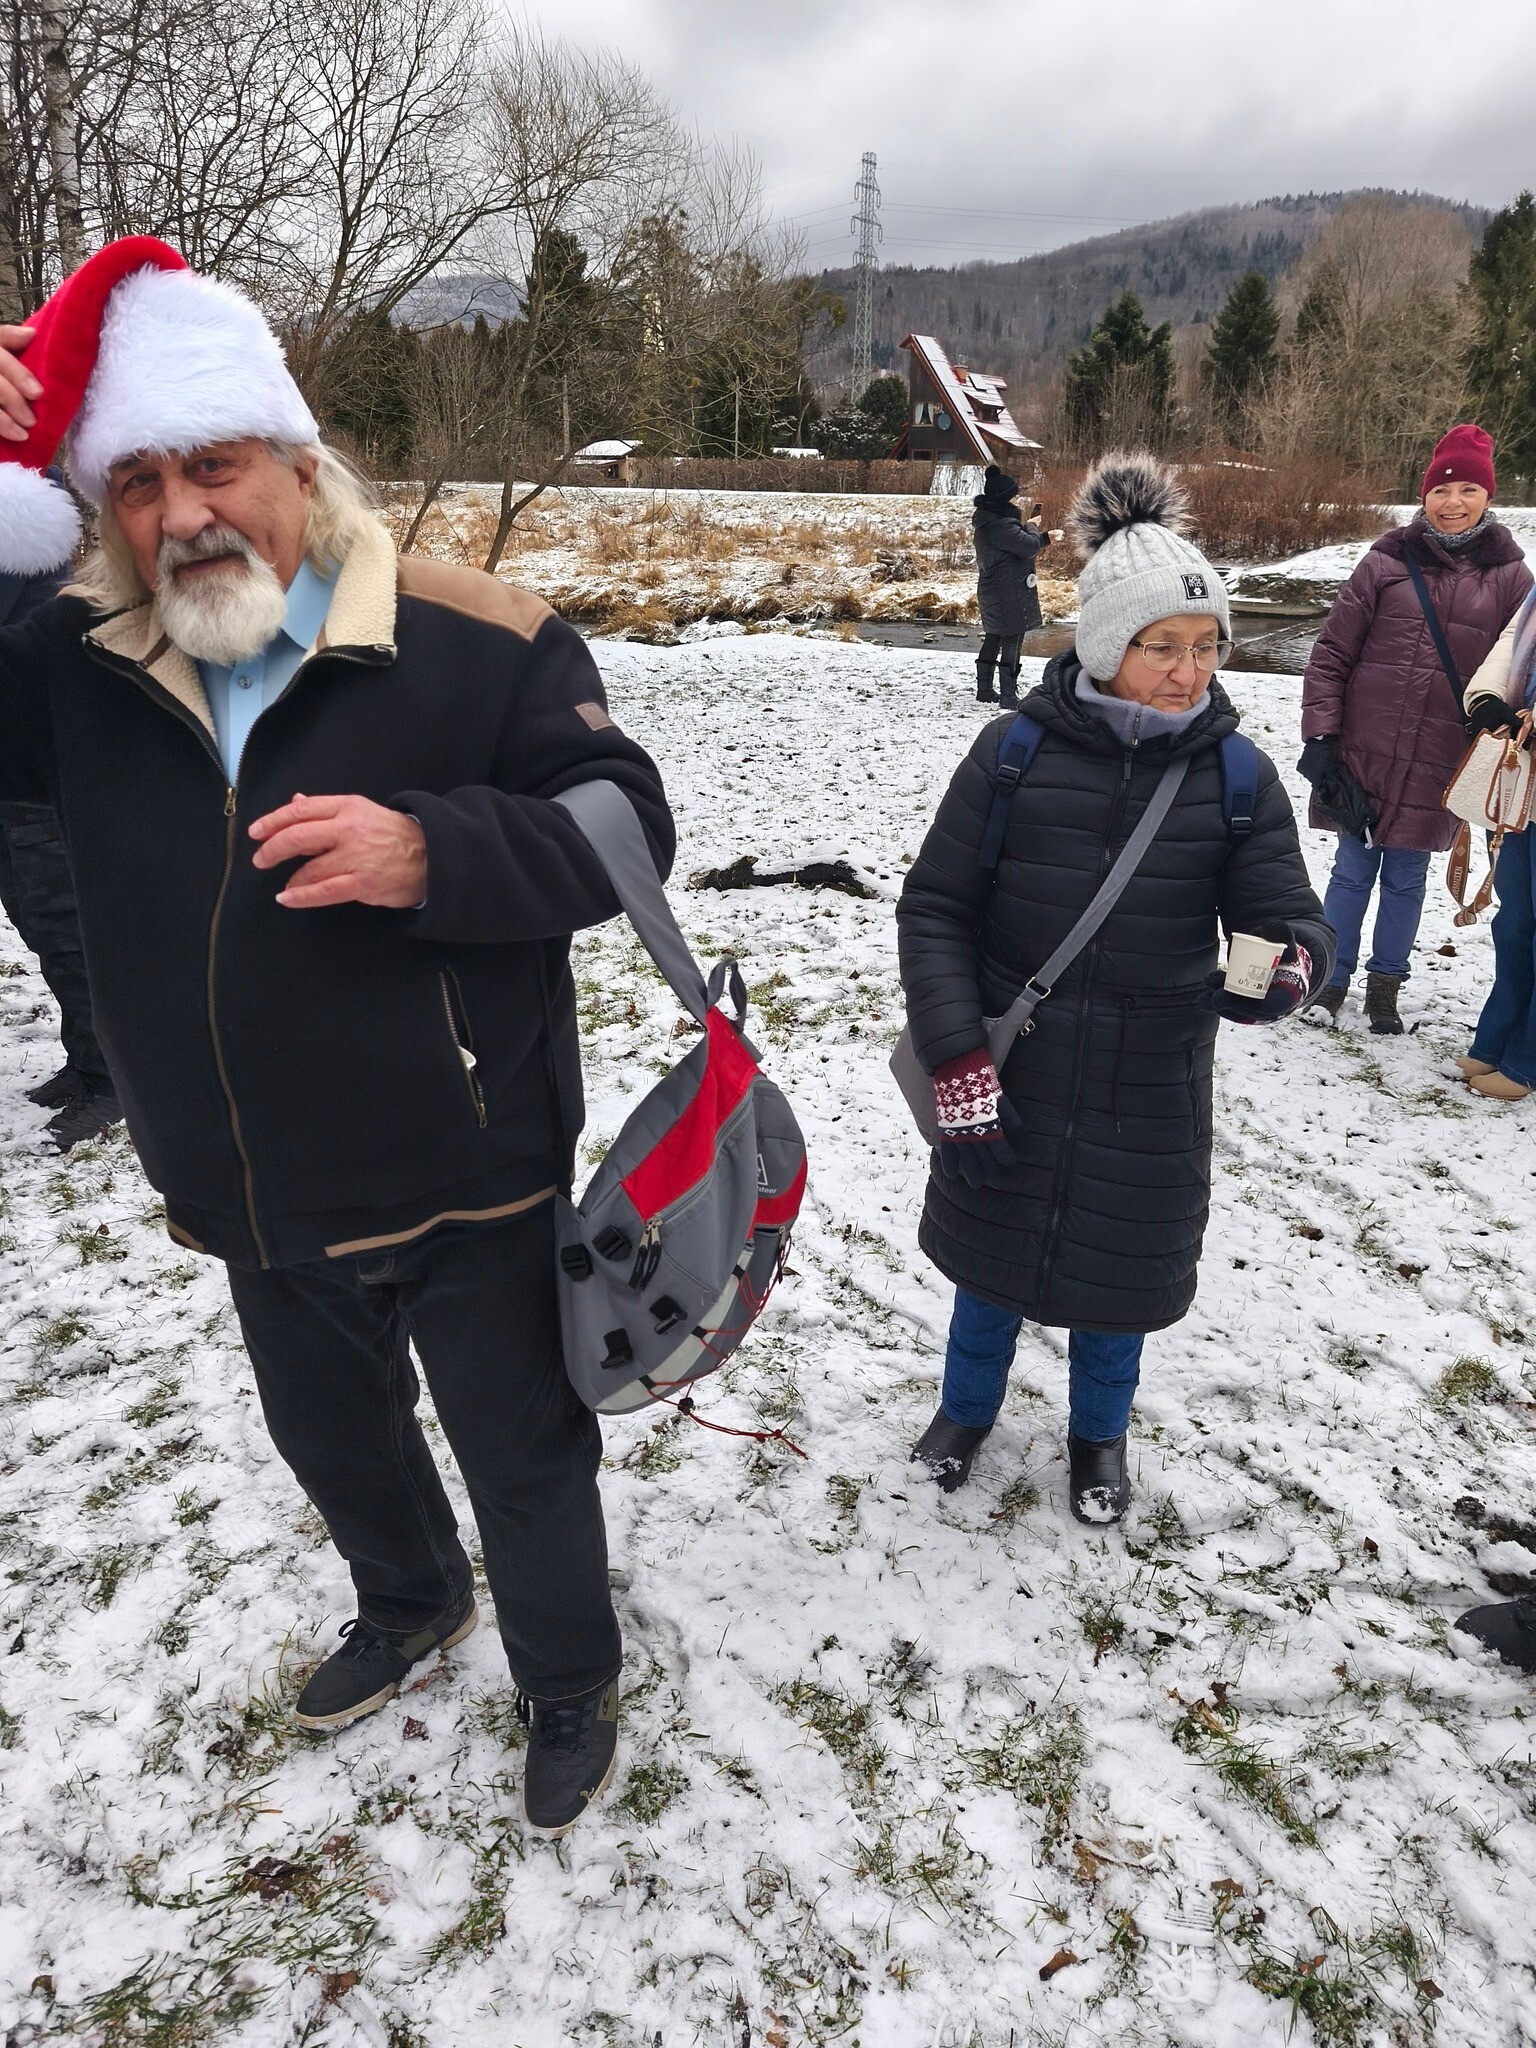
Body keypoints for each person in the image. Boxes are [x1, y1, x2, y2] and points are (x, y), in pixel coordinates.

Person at [0, 237, 675, 1838]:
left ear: (301, 462)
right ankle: (412, 1594)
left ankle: (567, 1678)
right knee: (329, 1433)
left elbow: (627, 826)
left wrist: (435, 852)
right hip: (246, 1177)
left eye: (215, 465)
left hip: (466, 1161)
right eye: (139, 482)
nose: (184, 513)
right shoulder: (73, 668)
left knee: (522, 1452)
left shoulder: (478, 633)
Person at [898, 452, 1333, 1523]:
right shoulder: (1010, 756)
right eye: (1162, 647)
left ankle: (1099, 1438)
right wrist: (956, 1059)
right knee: (989, 1268)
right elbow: (936, 911)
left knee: (1119, 1285)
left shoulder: (1236, 778)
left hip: (1150, 1088)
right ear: (1105, 646)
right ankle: (964, 1412)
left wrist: (1289, 968)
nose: (1191, 672)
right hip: (1014, 1073)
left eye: (1207, 645)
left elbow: (1291, 915)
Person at [1298, 423, 1532, 1034]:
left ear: (1488, 497)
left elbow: (1518, 672)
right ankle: (1329, 979)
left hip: (1440, 758)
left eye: (1468, 490)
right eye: (1440, 489)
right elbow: (1332, 655)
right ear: (1424, 495)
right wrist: (1321, 737)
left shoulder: (1513, 579)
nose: (1452, 502)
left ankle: (1385, 987)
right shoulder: (1386, 560)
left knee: (1406, 877)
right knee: (1351, 869)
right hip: (1364, 751)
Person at [0, 533, 122, 1152]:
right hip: (9, 774)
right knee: (40, 928)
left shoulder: (22, 531)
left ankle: (111, 1081)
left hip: (40, 774)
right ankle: (87, 1059)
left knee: (68, 931)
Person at [1453, 586, 1536, 1099]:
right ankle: (1495, 1041)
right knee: (1515, 919)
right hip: (1520, 774)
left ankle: (1526, 1061)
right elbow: (1514, 639)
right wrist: (1486, 699)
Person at [972, 464, 1049, 707]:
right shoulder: (1002, 525)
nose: (1015, 500)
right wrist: (1035, 527)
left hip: (992, 588)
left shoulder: (988, 521)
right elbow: (1028, 546)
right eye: (1013, 496)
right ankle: (1008, 696)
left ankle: (985, 690)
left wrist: (1039, 534)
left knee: (994, 636)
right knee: (1013, 638)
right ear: (1004, 498)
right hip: (1008, 591)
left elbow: (1018, 542)